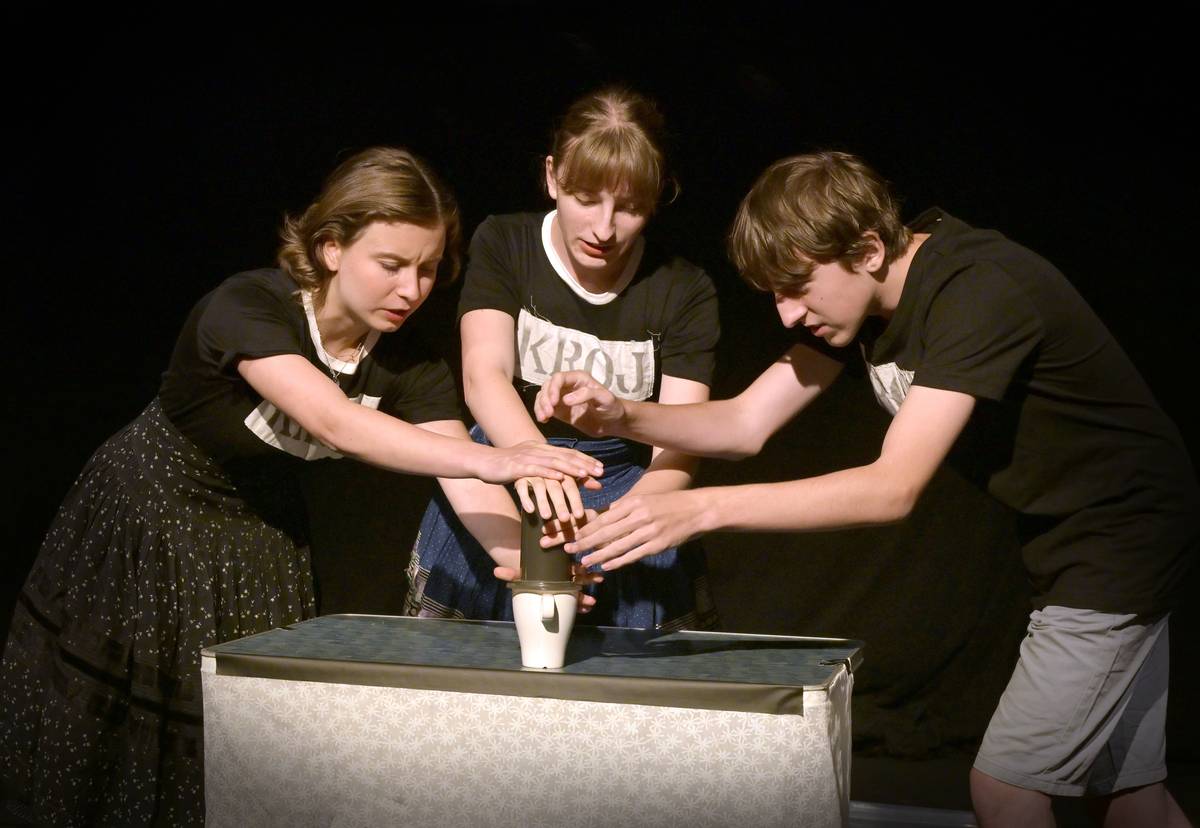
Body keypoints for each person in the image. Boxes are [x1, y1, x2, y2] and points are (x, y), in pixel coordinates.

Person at [535, 152, 1198, 826]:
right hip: (1069, 540)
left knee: (1007, 791)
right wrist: (621, 414)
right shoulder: (864, 298)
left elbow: (892, 488)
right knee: (1128, 799)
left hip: (1123, 536)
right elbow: (743, 423)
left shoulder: (976, 290)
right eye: (775, 295)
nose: (787, 315)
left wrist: (700, 508)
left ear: (869, 250)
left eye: (798, 288)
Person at [0, 146, 601, 827]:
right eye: (392, 265)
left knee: (240, 747)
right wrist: (501, 458)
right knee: (106, 744)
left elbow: (461, 476)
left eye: (429, 268)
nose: (412, 289)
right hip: (152, 518)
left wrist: (527, 564)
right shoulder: (251, 305)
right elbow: (334, 421)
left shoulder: (408, 365)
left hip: (257, 537)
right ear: (331, 247)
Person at [404, 87, 720, 630]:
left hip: (624, 496)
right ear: (552, 177)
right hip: (507, 466)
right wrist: (538, 465)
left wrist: (611, 534)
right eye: (586, 199)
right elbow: (484, 377)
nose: (604, 228)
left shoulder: (684, 289)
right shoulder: (506, 243)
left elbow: (681, 443)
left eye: (630, 208)